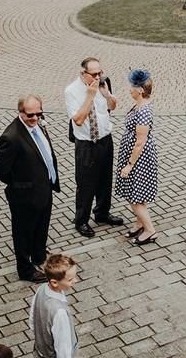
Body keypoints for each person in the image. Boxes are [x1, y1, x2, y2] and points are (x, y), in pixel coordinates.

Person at [0, 94, 61, 282]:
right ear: (20, 112)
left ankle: (38, 254)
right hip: (25, 195)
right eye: (30, 115)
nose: (35, 119)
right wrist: (21, 185)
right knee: (23, 232)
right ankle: (25, 269)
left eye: (38, 114)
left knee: (41, 225)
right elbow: (0, 169)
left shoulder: (39, 124)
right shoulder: (11, 137)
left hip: (44, 189)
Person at [65, 57, 124, 238]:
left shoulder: (103, 83)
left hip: (105, 139)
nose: (98, 77)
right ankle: (81, 220)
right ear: (83, 73)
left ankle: (102, 214)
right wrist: (90, 96)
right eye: (94, 74)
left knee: (105, 179)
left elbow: (112, 107)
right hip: (86, 144)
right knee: (86, 183)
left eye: (100, 72)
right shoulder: (72, 91)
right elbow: (79, 119)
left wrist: (107, 96)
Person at [116, 69, 159, 246]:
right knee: (138, 194)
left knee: (135, 196)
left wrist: (129, 165)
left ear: (140, 90)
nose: (129, 90)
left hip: (139, 158)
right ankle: (139, 224)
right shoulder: (140, 106)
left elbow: (140, 142)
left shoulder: (143, 111)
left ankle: (150, 230)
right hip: (136, 155)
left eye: (132, 87)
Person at [28, 254, 79, 357]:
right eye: (70, 280)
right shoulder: (60, 313)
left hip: (41, 350)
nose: (75, 280)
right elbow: (63, 346)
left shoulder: (41, 289)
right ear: (55, 283)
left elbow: (32, 319)